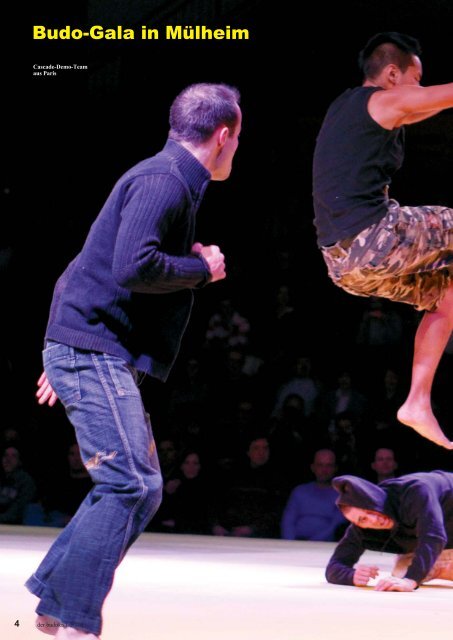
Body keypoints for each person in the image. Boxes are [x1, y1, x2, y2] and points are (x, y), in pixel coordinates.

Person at [27, 82, 242, 639]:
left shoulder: (172, 181)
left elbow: (89, 262)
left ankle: (56, 599)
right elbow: (129, 266)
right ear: (223, 135)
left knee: (141, 487)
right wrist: (203, 270)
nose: (236, 149)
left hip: (90, 347)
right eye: (238, 138)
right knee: (129, 485)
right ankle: (74, 620)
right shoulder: (162, 181)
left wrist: (63, 344)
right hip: (91, 348)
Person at [312, 31, 453, 449]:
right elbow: (433, 100)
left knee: (446, 292)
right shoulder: (379, 100)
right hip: (371, 239)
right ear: (392, 74)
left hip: (344, 267)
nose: (419, 91)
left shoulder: (347, 108)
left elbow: (415, 110)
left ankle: (417, 400)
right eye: (417, 80)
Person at [325, 471, 453, 591]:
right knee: (401, 572)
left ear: (375, 498)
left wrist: (410, 580)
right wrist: (351, 575)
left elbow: (434, 537)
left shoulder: (414, 491)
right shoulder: (362, 530)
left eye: (371, 508)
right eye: (363, 519)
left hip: (445, 522)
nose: (374, 519)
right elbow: (334, 567)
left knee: (410, 575)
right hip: (445, 539)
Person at [281, 449, 346, 541]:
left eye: (329, 465)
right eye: (320, 465)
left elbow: (335, 526)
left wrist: (311, 544)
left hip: (323, 547)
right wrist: (290, 543)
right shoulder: (299, 491)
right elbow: (288, 521)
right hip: (295, 544)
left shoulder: (342, 496)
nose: (324, 470)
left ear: (335, 468)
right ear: (313, 468)